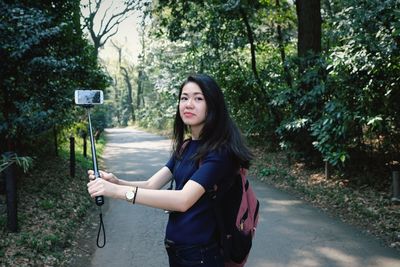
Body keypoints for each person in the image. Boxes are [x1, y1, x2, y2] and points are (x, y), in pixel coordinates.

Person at [87, 73, 253, 267]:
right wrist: (116, 182)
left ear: (213, 105)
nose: (189, 104)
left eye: (198, 98)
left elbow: (183, 200)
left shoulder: (219, 153)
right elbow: (151, 184)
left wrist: (116, 192)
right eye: (184, 98)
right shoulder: (186, 146)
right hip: (178, 251)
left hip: (201, 256)